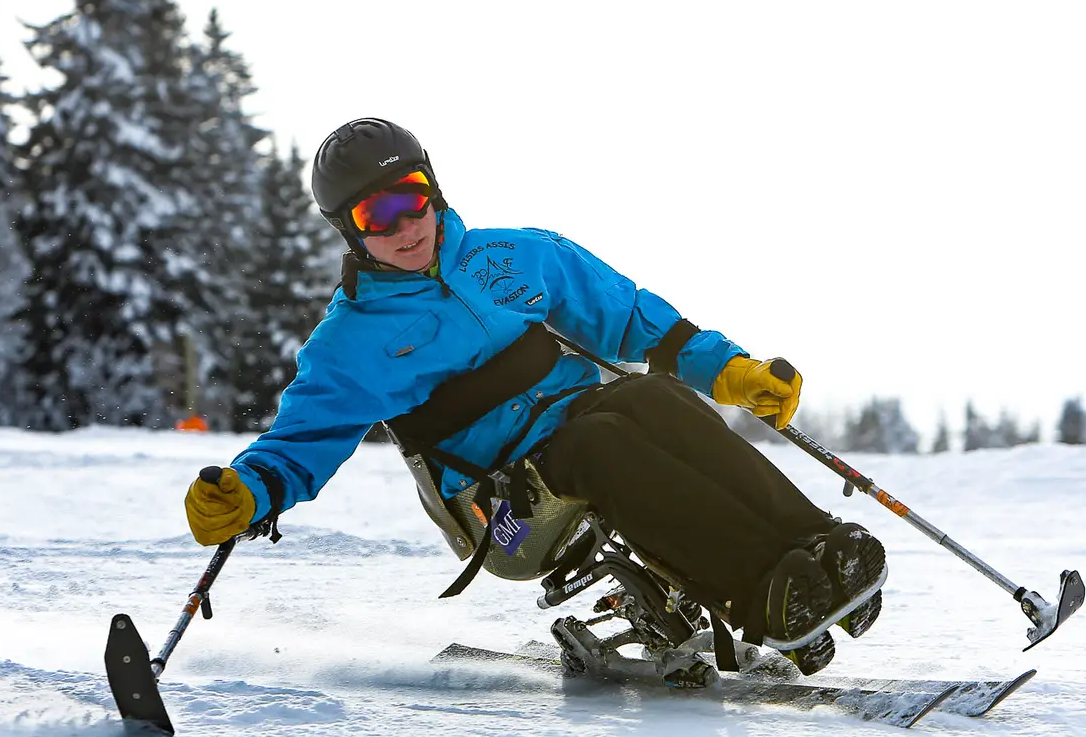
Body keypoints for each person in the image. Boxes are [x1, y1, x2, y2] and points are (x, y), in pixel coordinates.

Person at [184, 118, 884, 674]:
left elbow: (630, 316)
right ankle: (762, 593)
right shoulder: (352, 341)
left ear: (435, 188)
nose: (405, 226)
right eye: (378, 214)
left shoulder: (515, 257)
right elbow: (303, 439)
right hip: (502, 516)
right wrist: (249, 492)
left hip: (590, 431)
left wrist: (729, 370)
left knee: (655, 400)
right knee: (599, 439)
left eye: (413, 197)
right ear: (349, 229)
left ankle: (819, 554)